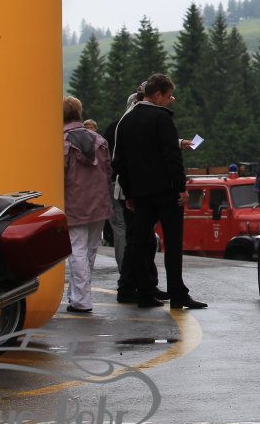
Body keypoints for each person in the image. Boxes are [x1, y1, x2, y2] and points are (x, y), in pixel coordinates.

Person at [111, 74, 206, 310]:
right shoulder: (161, 118)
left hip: (140, 193)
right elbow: (171, 155)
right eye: (168, 96)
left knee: (140, 243)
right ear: (157, 94)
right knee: (172, 244)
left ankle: (144, 293)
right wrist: (181, 187)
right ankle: (177, 293)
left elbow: (119, 161)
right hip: (166, 190)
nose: (170, 100)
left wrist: (130, 193)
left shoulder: (126, 120)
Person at [61, 97, 111, 314]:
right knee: (90, 251)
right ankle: (78, 295)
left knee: (76, 251)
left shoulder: (62, 141)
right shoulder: (99, 140)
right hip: (99, 202)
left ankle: (81, 299)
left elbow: (59, 174)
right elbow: (108, 171)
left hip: (74, 202)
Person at [104, 90, 141, 299]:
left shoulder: (113, 127)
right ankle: (127, 274)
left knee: (121, 229)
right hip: (121, 184)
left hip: (113, 182)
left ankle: (126, 273)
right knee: (126, 231)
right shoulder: (130, 126)